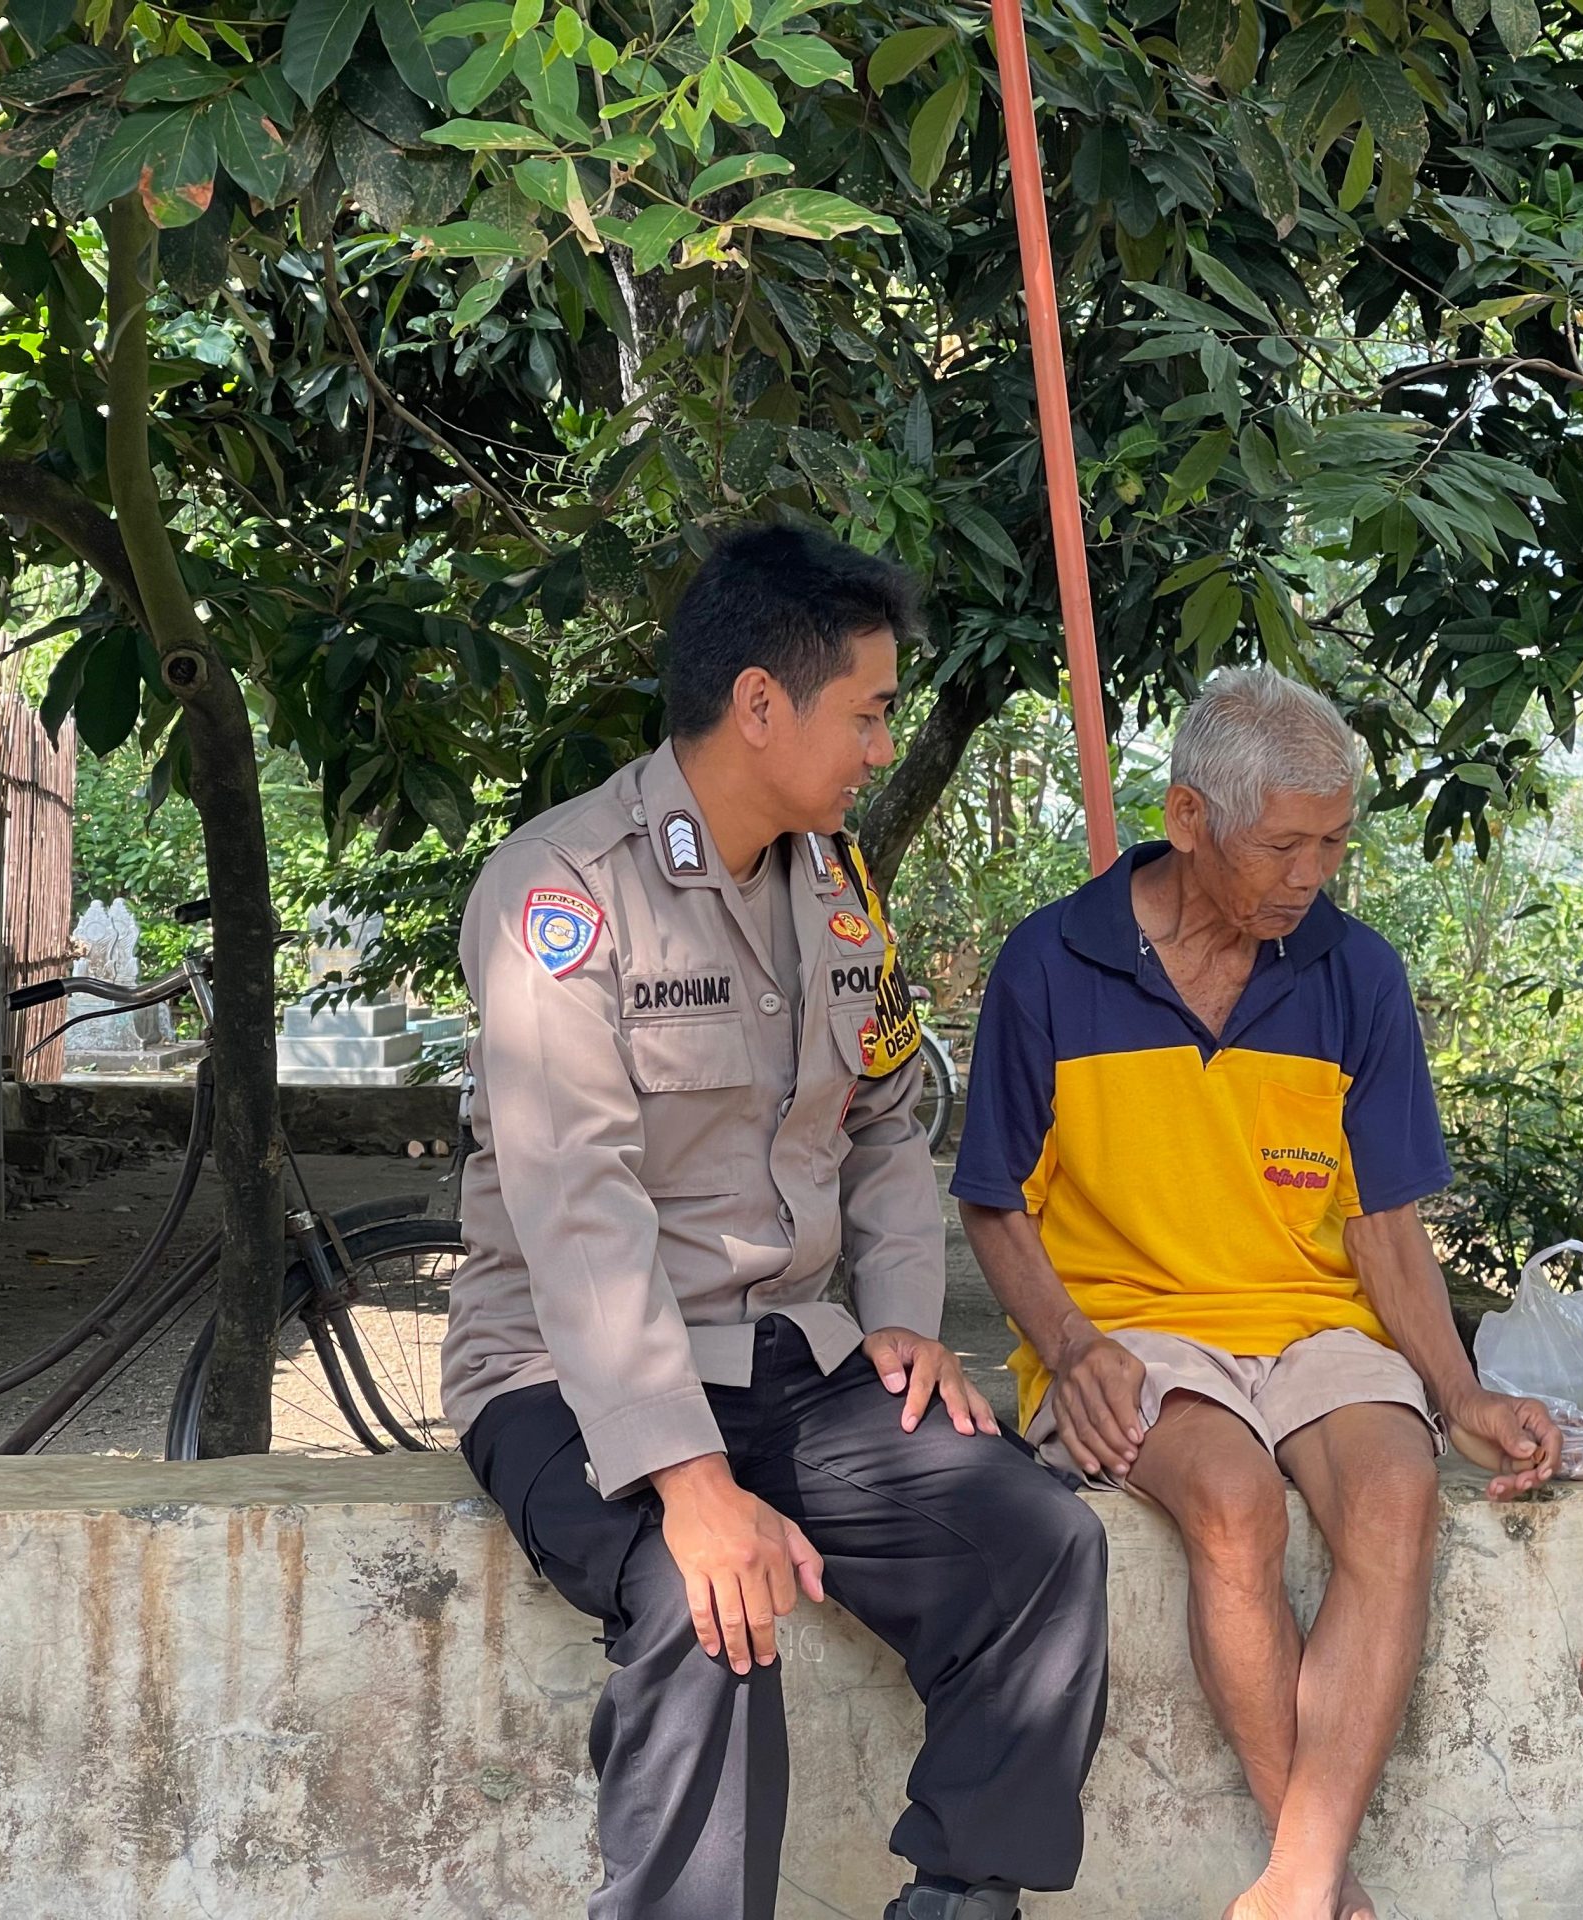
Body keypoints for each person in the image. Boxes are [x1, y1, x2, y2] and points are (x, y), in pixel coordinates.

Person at [443, 525, 1110, 1920]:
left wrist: (904, 1320)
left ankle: (961, 1901)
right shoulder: (562, 893)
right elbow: (577, 1210)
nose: (882, 748)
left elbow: (884, 1122)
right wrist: (690, 1486)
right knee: (709, 1607)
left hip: (788, 1360)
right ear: (760, 704)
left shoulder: (836, 884)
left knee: (1037, 1540)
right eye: (866, 713)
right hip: (567, 1379)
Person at [954, 666, 1562, 1920]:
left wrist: (1460, 1395)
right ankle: (1323, 1886)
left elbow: (1383, 1225)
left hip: (1314, 1326)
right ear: (1186, 818)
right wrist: (1067, 1344)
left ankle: (1295, 1884)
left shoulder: (1356, 973)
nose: (1311, 876)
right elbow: (993, 1203)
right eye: (1284, 845)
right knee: (1233, 1506)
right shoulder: (1049, 963)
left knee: (1395, 1494)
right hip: (1127, 1335)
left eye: (1333, 844)